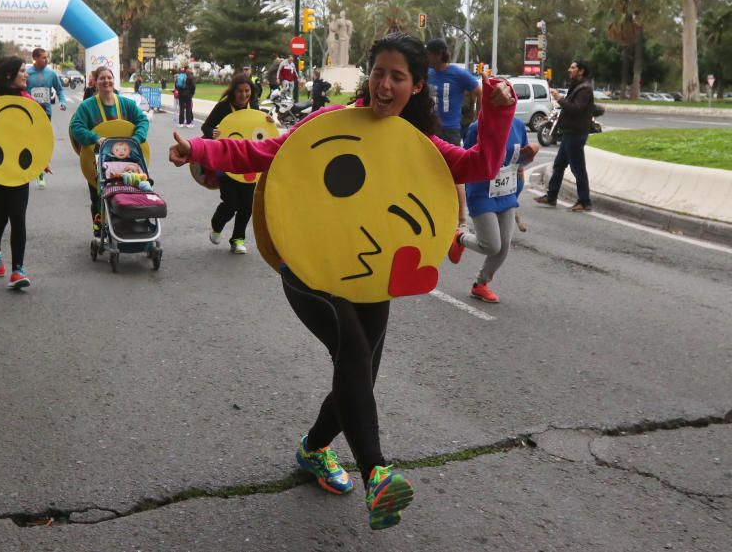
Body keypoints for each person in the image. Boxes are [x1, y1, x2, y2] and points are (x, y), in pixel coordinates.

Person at [168, 32, 516, 531]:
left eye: (398, 76)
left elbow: (480, 164)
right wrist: (201, 149)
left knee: (361, 375)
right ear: (366, 76)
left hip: (371, 274)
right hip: (309, 266)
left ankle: (313, 449)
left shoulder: (420, 148)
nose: (385, 83)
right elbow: (268, 153)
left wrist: (499, 113)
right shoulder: (327, 123)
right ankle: (378, 473)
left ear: (417, 86)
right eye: (378, 72)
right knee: (352, 353)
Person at [0, 56, 48, 290]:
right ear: (8, 75)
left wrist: (39, 160)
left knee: (18, 216)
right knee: (1, 217)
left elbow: (35, 134)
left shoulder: (26, 100)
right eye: (22, 71)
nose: (26, 75)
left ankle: (18, 270)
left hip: (19, 169)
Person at [447, 117, 535, 303]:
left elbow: (521, 156)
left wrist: (522, 166)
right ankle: (460, 237)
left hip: (507, 192)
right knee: (491, 245)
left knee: (503, 246)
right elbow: (466, 159)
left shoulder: (518, 125)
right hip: (481, 192)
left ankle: (481, 284)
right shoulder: (476, 128)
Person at [69, 65, 149, 235]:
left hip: (127, 160)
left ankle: (125, 225)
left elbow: (143, 120)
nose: (106, 81)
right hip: (98, 160)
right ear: (95, 83)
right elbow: (76, 127)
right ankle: (99, 229)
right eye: (102, 78)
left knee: (130, 191)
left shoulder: (126, 104)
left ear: (114, 80)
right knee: (98, 197)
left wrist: (136, 139)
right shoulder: (87, 106)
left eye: (109, 77)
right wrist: (94, 138)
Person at [200, 73, 260, 254]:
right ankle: (217, 226)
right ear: (233, 92)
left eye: (247, 91)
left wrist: (270, 121)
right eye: (240, 91)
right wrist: (213, 133)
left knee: (247, 206)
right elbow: (206, 127)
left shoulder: (254, 107)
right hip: (225, 161)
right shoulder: (223, 107)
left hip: (248, 163)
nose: (243, 95)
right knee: (231, 204)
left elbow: (262, 131)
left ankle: (237, 240)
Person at [425, 39, 480, 226]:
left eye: (429, 54)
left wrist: (478, 118)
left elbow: (479, 91)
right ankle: (435, 211)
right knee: (430, 171)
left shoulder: (457, 74)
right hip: (430, 129)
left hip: (451, 130)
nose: (427, 57)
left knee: (455, 173)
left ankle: (462, 218)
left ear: (439, 54)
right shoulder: (428, 74)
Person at [535, 60, 595, 212]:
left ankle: (584, 201)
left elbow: (576, 109)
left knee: (578, 168)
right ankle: (551, 196)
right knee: (559, 165)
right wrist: (561, 98)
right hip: (569, 132)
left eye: (573, 68)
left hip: (576, 133)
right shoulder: (577, 86)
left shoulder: (585, 89)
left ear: (581, 71)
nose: (570, 70)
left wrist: (559, 99)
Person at [26, 48, 66, 190]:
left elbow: (60, 90)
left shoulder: (51, 73)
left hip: (45, 112)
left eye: (46, 57)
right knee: (30, 142)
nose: (46, 60)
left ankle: (41, 170)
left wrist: (63, 102)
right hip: (28, 113)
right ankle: (32, 167)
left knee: (43, 142)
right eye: (43, 57)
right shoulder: (27, 74)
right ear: (35, 58)